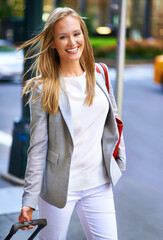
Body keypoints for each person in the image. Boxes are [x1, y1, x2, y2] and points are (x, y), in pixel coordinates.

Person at [18, 7, 126, 240]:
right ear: (53, 43)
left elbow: (113, 120)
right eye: (63, 36)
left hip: (99, 184)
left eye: (76, 34)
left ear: (84, 35)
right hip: (59, 190)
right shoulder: (44, 88)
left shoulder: (100, 73)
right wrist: (28, 201)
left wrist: (119, 159)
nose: (72, 41)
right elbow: (37, 148)